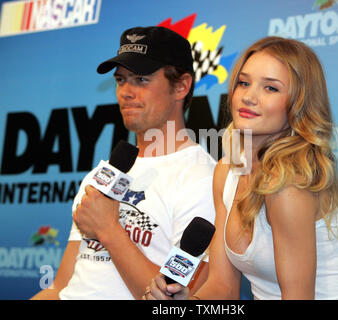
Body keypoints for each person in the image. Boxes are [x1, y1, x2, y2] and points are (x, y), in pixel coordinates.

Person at [145, 36, 338, 300]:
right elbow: (222, 288)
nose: (249, 97)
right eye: (244, 83)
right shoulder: (226, 172)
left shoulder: (288, 186)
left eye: (270, 88)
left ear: (298, 103)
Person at [31, 26, 216, 300]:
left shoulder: (204, 178)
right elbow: (61, 287)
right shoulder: (103, 174)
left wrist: (109, 230)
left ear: (181, 86)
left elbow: (177, 299)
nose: (125, 92)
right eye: (120, 80)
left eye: (141, 79)